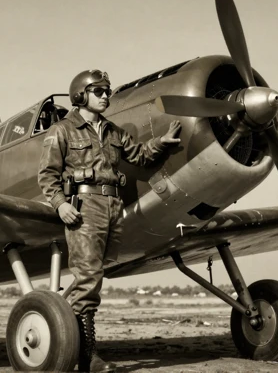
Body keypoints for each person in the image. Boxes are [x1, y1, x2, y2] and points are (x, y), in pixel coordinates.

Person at [38, 69, 181, 372]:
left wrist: (163, 142)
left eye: (107, 91)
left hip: (113, 207)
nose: (106, 96)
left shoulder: (112, 131)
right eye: (99, 91)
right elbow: (47, 175)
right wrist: (60, 204)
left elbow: (140, 155)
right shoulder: (62, 131)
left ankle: (71, 339)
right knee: (88, 277)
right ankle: (87, 356)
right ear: (81, 95)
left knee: (94, 277)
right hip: (84, 206)